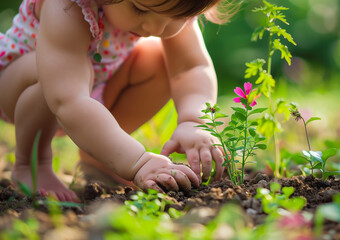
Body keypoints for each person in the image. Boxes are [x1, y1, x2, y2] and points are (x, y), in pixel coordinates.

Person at [0, 0, 233, 202]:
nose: (157, 27)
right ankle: (32, 163)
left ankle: (100, 159)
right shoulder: (67, 8)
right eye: (140, 9)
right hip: (23, 88)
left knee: (157, 59)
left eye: (178, 17)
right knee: (49, 72)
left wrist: (194, 121)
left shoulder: (168, 5)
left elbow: (190, 67)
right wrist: (137, 161)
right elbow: (68, 100)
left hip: (94, 89)